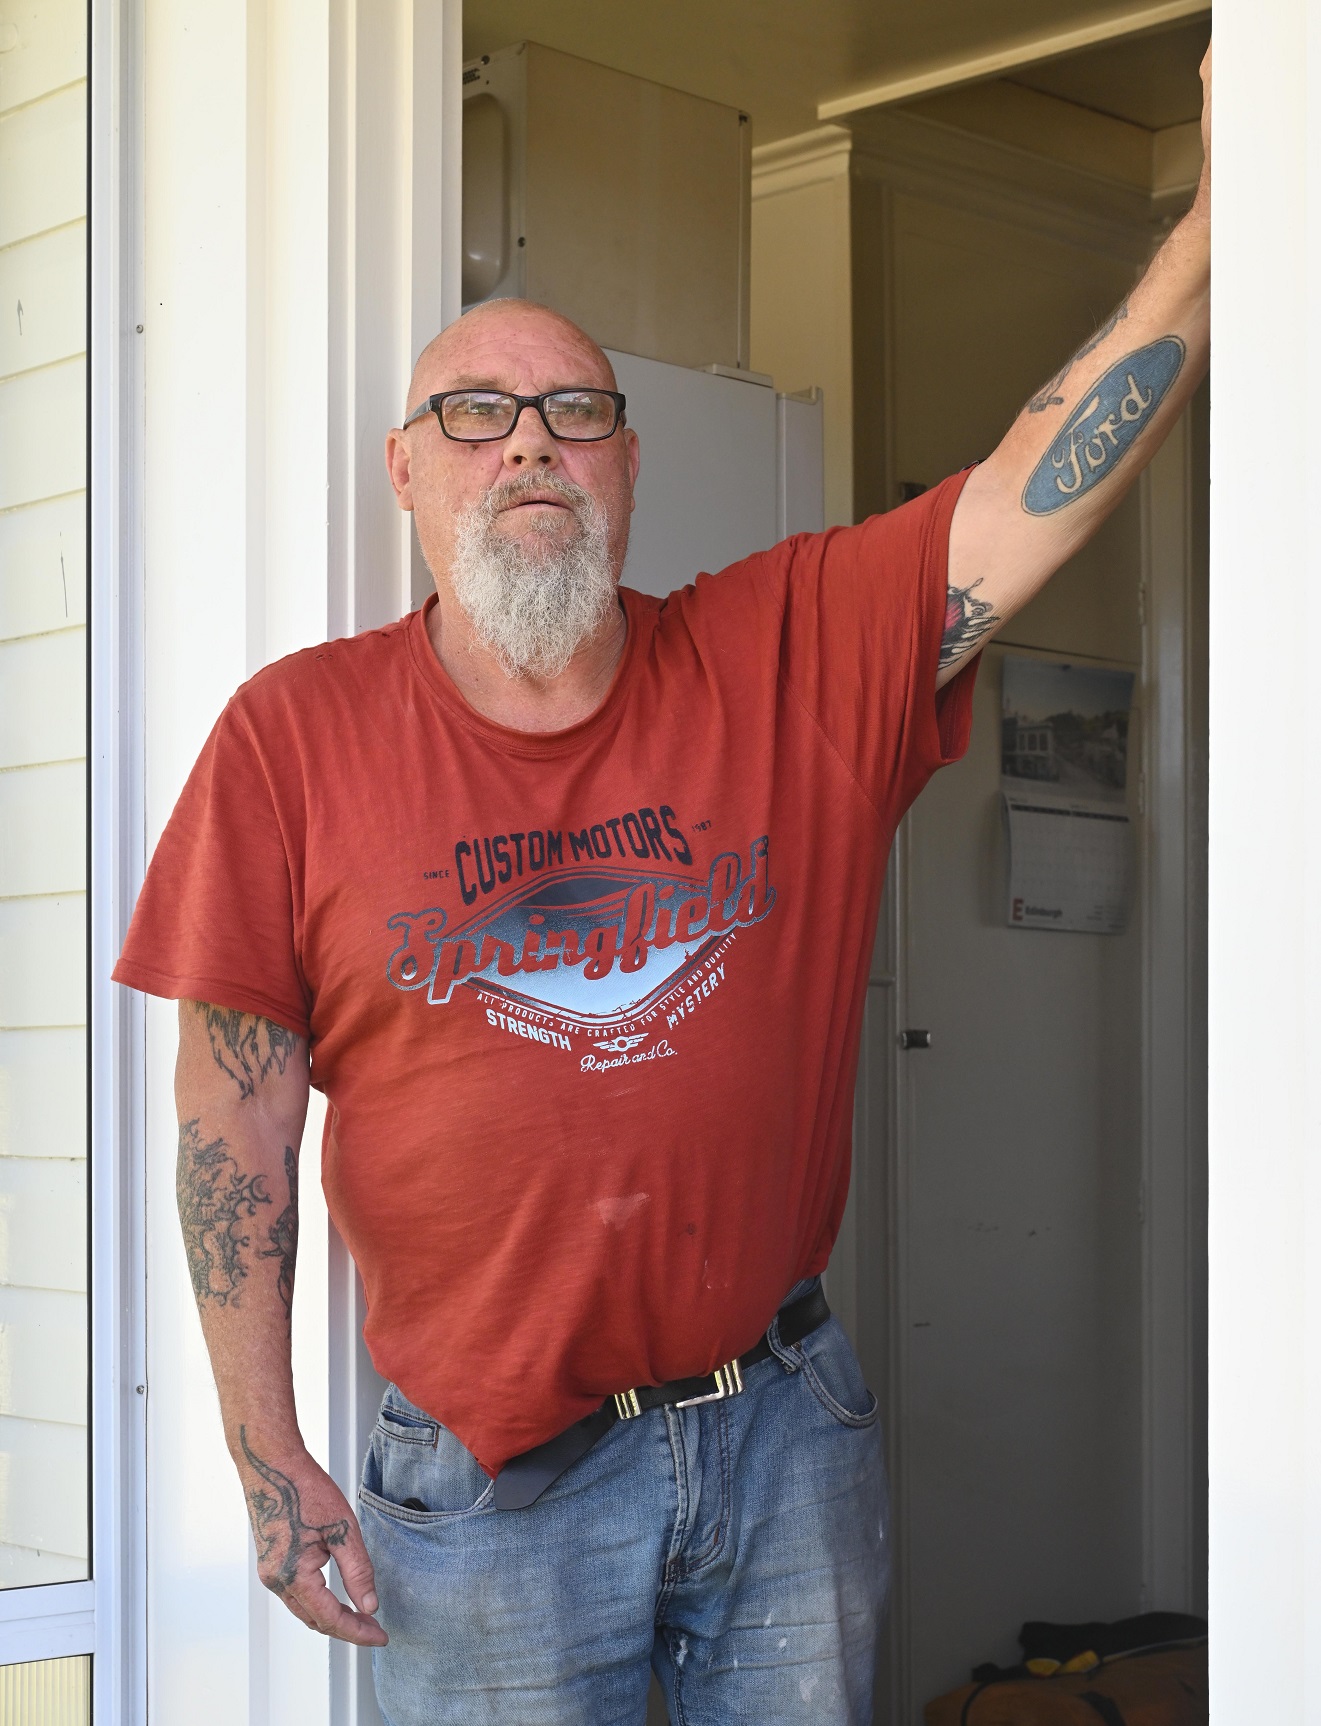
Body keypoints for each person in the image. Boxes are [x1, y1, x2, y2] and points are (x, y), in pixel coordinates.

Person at [113, 48, 1211, 1726]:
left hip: (778, 1434)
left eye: (575, 413)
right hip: (488, 1486)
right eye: (473, 416)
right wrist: (265, 1455)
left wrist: (1220, 221)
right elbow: (231, 1122)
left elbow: (1023, 502)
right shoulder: (291, 738)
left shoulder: (787, 652)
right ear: (406, 474)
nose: (528, 447)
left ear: (630, 470)